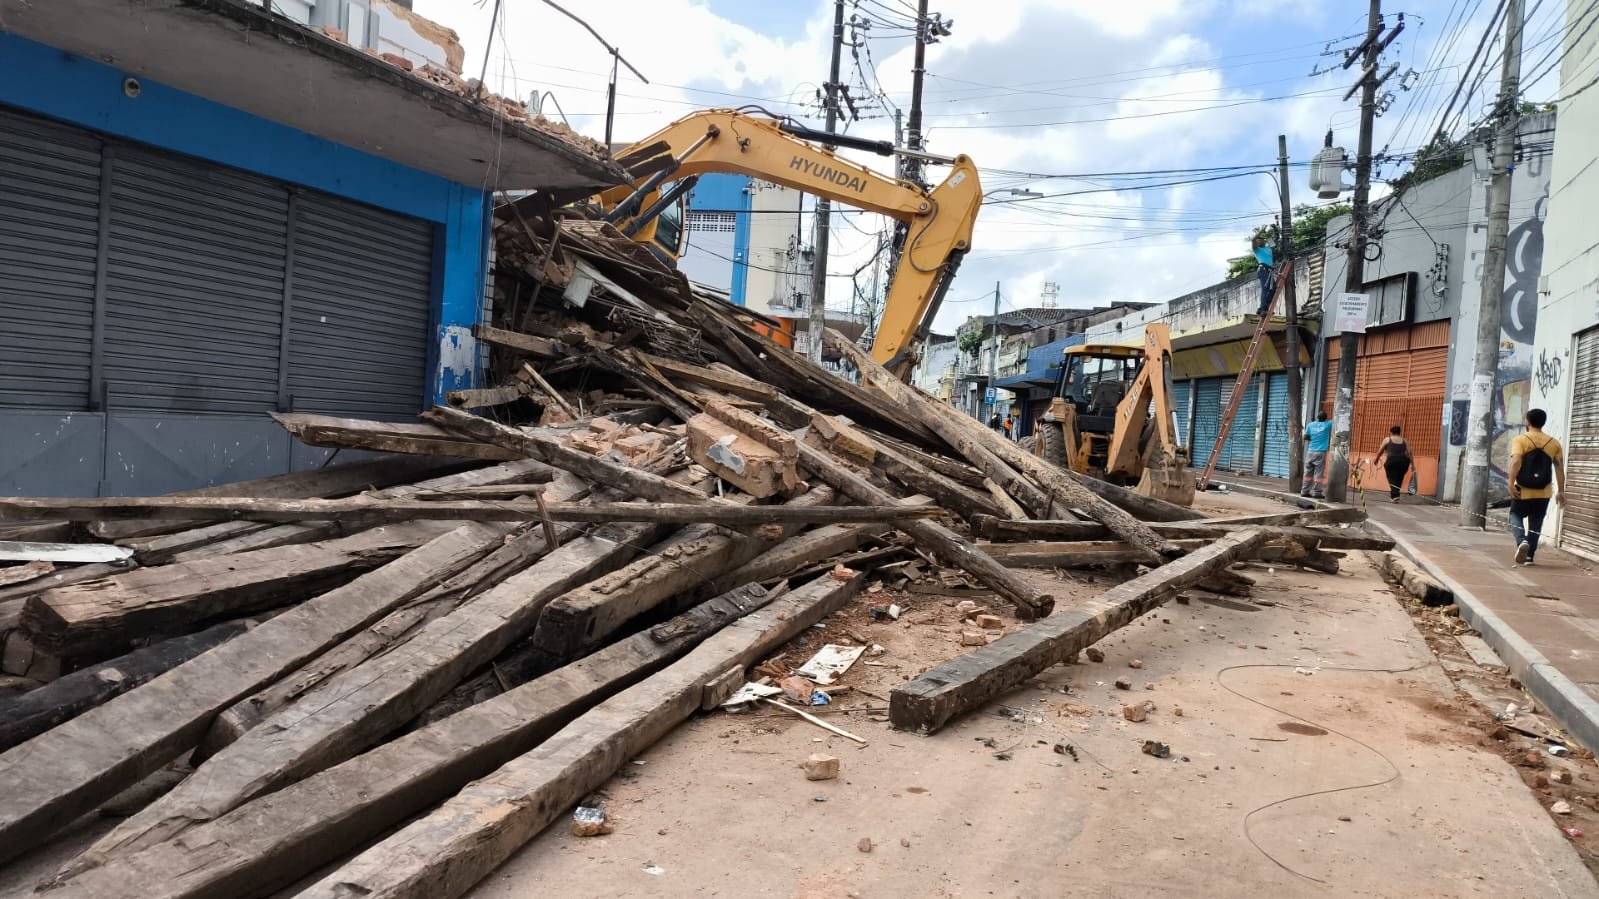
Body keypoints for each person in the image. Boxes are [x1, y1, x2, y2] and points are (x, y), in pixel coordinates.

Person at [1507, 408, 1567, 567]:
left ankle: (1521, 541)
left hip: (1523, 489)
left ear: (1528, 422)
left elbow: (1516, 461)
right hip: (1544, 492)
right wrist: (1561, 491)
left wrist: (1510, 482)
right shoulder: (1554, 443)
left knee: (1514, 514)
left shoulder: (1521, 440)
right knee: (1536, 523)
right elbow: (1559, 468)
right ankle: (1529, 557)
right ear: (1543, 422)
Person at [1373, 425, 1413, 503]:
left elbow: (1380, 451)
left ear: (1391, 432)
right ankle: (1394, 496)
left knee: (1391, 478)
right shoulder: (1404, 440)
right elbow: (1409, 453)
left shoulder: (1387, 439)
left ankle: (1395, 495)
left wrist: (1376, 459)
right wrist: (1412, 465)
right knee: (1399, 479)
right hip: (1403, 462)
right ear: (1399, 432)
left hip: (1391, 461)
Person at [1301, 411, 1333, 499]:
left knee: (1307, 472)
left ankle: (1304, 491)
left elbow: (1305, 437)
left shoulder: (1310, 425)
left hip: (1310, 451)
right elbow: (1336, 420)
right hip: (1320, 452)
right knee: (1318, 473)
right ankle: (1317, 493)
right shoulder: (1328, 425)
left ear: (1317, 417)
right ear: (1325, 418)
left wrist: (1313, 436)